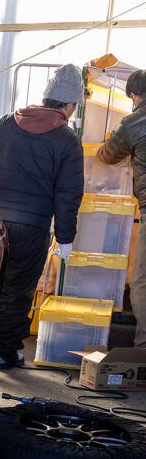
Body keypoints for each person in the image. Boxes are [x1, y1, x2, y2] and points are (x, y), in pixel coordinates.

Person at [0, 63, 85, 370]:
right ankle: (4, 352)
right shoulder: (67, 140)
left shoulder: (3, 124)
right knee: (17, 290)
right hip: (32, 228)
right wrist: (65, 239)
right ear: (70, 105)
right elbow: (68, 195)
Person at [96, 69, 146, 347]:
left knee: (141, 281)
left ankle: (143, 347)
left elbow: (107, 155)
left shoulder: (134, 122)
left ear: (134, 95)